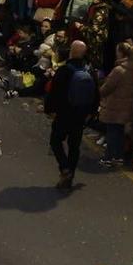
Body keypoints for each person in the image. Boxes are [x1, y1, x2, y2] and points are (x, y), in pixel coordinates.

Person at [46, 38, 96, 190]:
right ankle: (70, 176)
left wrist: (49, 110)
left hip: (64, 113)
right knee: (74, 146)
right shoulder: (89, 71)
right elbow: (95, 94)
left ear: (71, 52)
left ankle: (65, 168)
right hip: (80, 115)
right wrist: (91, 113)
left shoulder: (64, 70)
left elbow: (54, 92)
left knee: (55, 141)